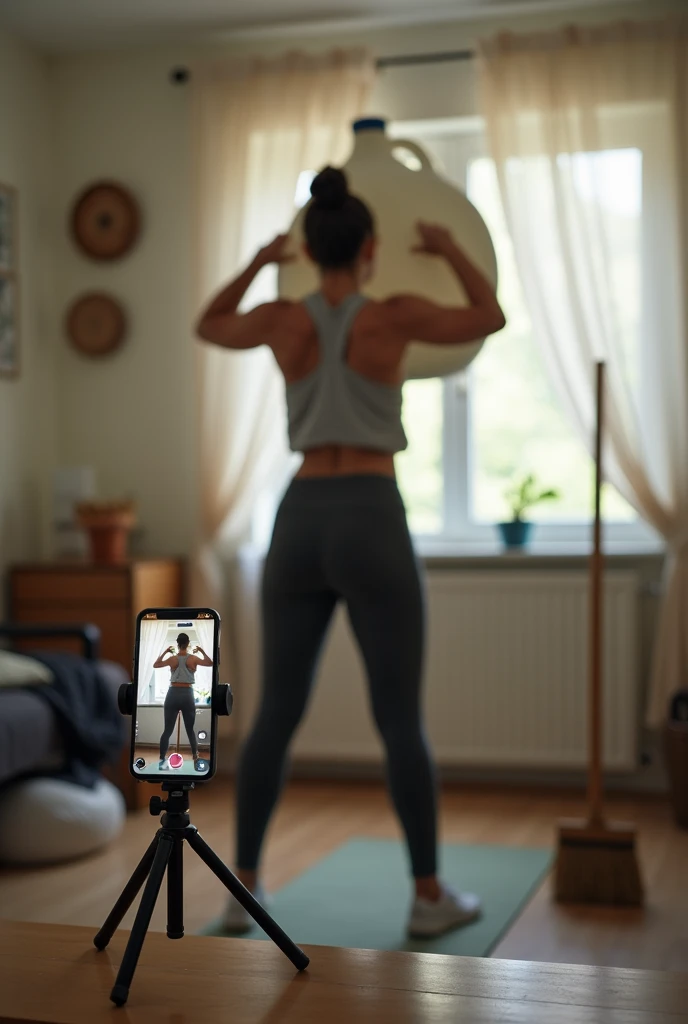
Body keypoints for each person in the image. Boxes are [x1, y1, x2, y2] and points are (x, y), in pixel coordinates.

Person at [196, 166, 505, 937]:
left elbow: (208, 322)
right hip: (370, 512)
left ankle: (246, 887)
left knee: (275, 713)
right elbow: (488, 316)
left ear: (308, 247)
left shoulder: (281, 320)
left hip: (298, 518)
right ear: (369, 249)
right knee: (399, 718)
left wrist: (262, 262)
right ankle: (429, 897)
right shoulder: (391, 315)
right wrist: (446, 246)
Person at [154, 633, 213, 772]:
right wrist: (202, 651)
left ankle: (162, 760)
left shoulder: (172, 659)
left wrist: (165, 652)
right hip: (187, 694)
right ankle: (195, 757)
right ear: (188, 643)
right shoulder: (193, 658)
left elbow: (156, 664)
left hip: (172, 694)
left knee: (167, 730)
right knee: (190, 730)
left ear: (177, 643)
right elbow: (210, 662)